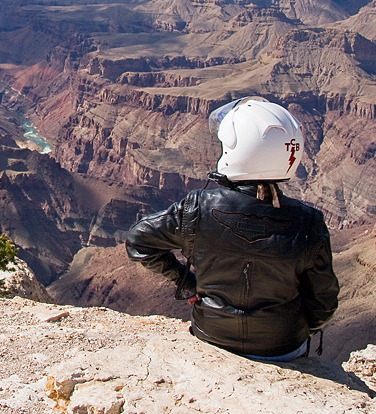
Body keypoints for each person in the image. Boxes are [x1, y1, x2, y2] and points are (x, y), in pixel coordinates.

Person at [125, 96, 339, 361]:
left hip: (212, 335)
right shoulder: (309, 223)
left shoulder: (197, 207)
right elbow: (324, 302)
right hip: (283, 348)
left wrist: (190, 283)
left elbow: (139, 241)